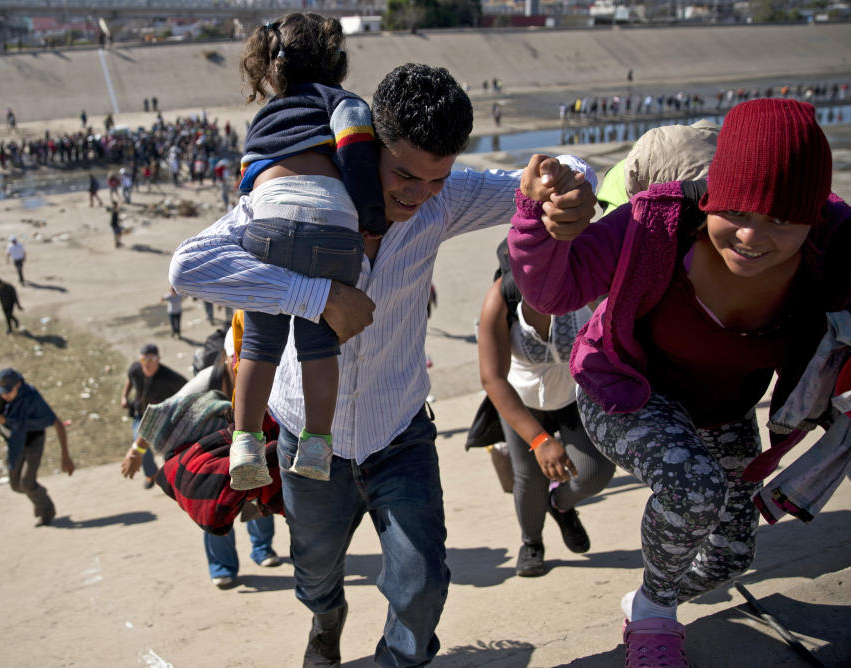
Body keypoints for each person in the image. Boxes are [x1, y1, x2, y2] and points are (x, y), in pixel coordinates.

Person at [170, 63, 597, 667]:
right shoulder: (300, 198)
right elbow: (188, 265)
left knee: (422, 582)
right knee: (314, 572)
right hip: (304, 440)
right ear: (366, 144)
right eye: (402, 173)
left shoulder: (443, 202)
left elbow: (561, 176)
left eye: (435, 179)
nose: (416, 194)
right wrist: (318, 299)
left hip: (401, 431)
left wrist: (570, 185)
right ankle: (327, 619)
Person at [507, 98, 851, 667]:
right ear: (711, 196)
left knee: (730, 554)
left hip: (724, 409)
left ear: (813, 217)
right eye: (738, 212)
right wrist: (536, 217)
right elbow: (553, 291)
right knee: (694, 490)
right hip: (625, 392)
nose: (752, 236)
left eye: (781, 221)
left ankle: (646, 597)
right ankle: (654, 623)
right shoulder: (655, 221)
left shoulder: (841, 236)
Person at [225, 12, 387, 491]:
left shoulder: (264, 118)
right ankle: (317, 444)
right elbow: (357, 153)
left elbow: (249, 179)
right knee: (319, 349)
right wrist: (371, 218)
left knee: (258, 346)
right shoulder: (341, 102)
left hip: (269, 224)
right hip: (333, 231)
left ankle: (245, 442)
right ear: (335, 61)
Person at [478, 240, 614, 577]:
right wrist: (539, 440)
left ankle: (561, 506)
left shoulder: (586, 288)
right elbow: (492, 379)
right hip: (522, 397)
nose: (546, 285)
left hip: (574, 392)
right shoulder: (500, 298)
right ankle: (532, 543)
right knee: (529, 478)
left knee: (595, 471)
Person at [120, 318, 281, 587]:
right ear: (229, 358)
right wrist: (136, 450)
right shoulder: (210, 377)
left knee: (259, 492)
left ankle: (262, 549)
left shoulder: (267, 370)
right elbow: (166, 411)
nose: (245, 363)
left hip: (253, 443)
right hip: (213, 451)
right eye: (239, 357)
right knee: (214, 502)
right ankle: (223, 567)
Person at [0, 368, 74, 526]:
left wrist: (65, 456)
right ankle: (39, 494)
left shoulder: (31, 397)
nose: (4, 396)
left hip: (33, 439)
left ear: (18, 385)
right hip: (14, 441)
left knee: (27, 482)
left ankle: (47, 510)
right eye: (2, 392)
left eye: (8, 392)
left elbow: (57, 423)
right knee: (16, 485)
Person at [120, 343, 187, 488]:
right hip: (141, 415)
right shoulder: (135, 369)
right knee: (138, 442)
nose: (147, 364)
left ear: (158, 359)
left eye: (151, 360)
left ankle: (173, 476)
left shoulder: (171, 378)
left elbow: (188, 390)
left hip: (163, 419)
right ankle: (152, 474)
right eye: (144, 360)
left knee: (169, 449)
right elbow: (129, 379)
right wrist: (124, 397)